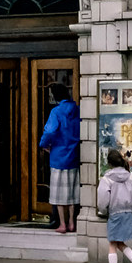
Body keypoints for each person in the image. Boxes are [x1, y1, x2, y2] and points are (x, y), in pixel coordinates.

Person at [96, 148, 132, 263]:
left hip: (114, 213)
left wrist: (104, 211)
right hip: (128, 213)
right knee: (120, 243)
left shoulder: (107, 179)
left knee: (112, 243)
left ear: (109, 163)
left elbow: (102, 201)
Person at [39, 83, 81, 233]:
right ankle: (72, 222)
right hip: (74, 155)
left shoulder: (56, 111)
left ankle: (62, 224)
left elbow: (50, 131)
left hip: (58, 156)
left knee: (59, 193)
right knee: (72, 192)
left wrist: (43, 144)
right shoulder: (78, 110)